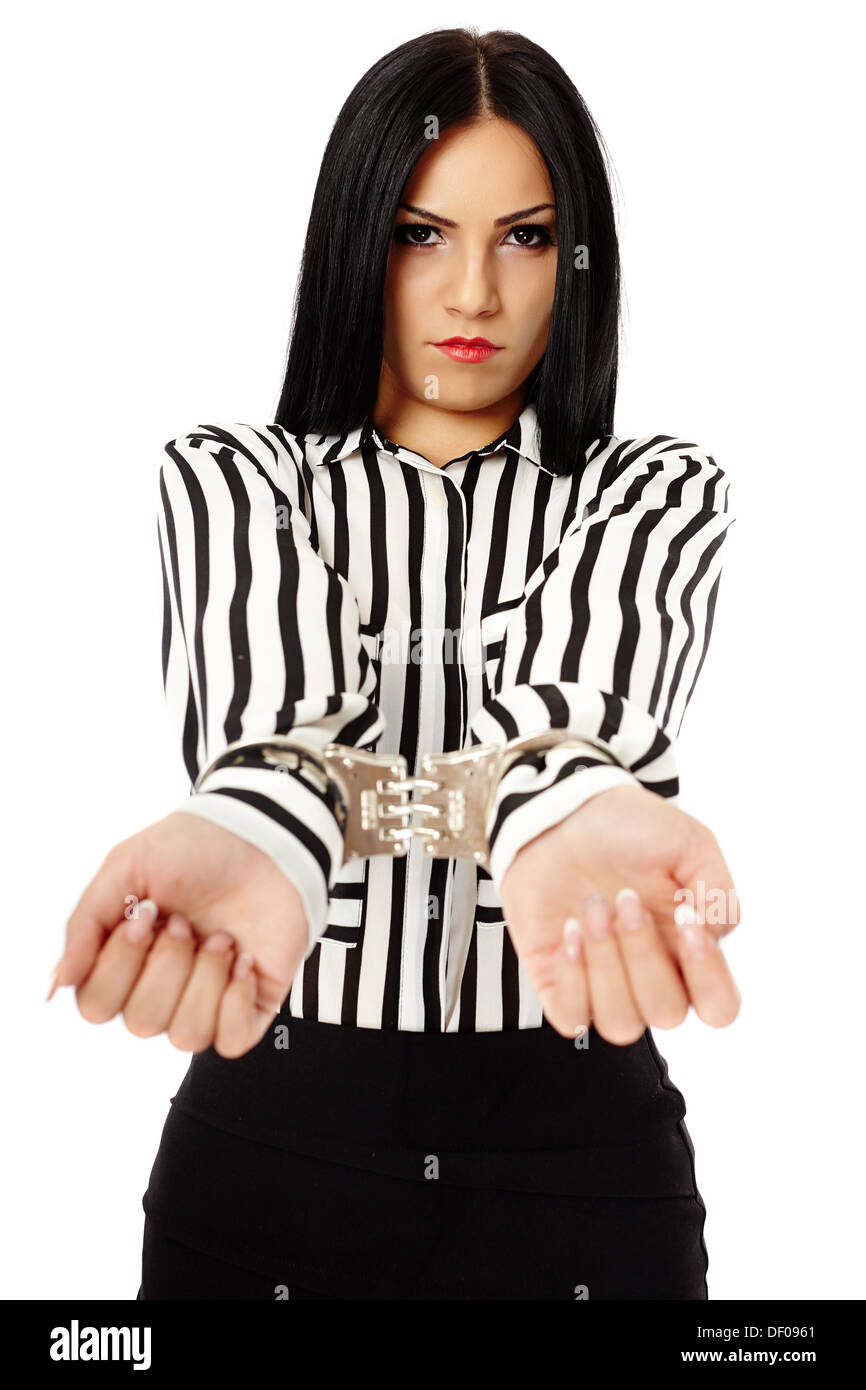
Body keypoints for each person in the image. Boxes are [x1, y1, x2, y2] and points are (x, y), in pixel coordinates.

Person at [51, 27, 741, 1301]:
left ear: (575, 257)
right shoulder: (234, 478)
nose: (472, 293)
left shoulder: (652, 489)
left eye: (524, 237)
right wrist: (261, 830)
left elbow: (575, 707)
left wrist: (561, 808)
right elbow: (282, 737)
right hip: (273, 1150)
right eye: (422, 234)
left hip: (579, 1157)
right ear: (353, 238)